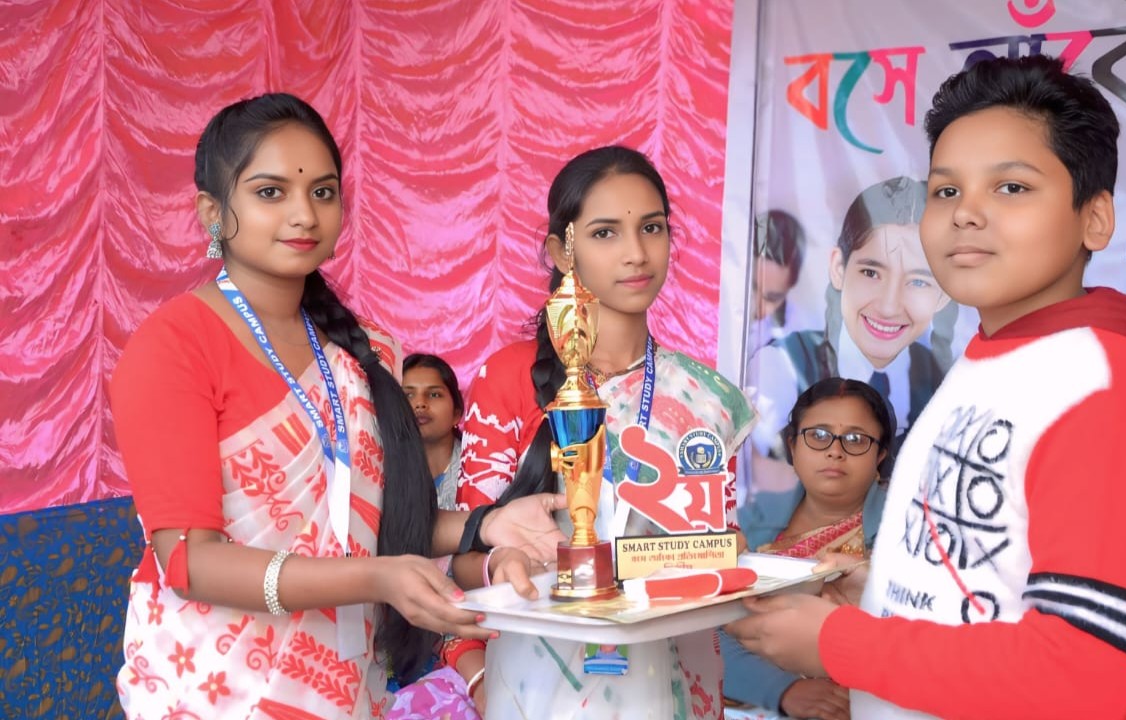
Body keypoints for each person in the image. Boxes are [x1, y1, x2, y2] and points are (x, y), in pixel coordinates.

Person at [727, 55, 1126, 720]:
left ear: (1094, 219)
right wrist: (881, 595)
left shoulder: (1109, 389)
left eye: (1011, 187)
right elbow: (986, 582)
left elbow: (1086, 677)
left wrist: (840, 643)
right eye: (946, 191)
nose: (966, 214)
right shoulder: (991, 358)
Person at [109, 92, 565, 719]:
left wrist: (487, 527)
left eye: (323, 192)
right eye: (271, 192)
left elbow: (374, 522)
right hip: (209, 688)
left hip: (347, 687)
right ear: (212, 212)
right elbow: (190, 561)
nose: (304, 214)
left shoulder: (364, 351)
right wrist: (376, 578)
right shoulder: (173, 346)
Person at [453, 145, 756, 719]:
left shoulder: (707, 396)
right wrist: (502, 567)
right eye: (605, 233)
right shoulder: (509, 378)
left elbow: (724, 545)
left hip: (676, 679)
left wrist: (730, 554)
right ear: (560, 252)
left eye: (652, 228)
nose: (636, 253)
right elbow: (464, 554)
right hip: (540, 684)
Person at [743, 177, 951, 547]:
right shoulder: (781, 366)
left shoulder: (949, 387)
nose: (889, 306)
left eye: (918, 282)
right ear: (838, 267)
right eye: (871, 272)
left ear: (944, 294)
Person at [722, 378, 894, 720]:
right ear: (793, 446)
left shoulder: (908, 530)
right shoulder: (746, 524)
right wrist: (782, 690)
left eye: (856, 440)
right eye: (818, 435)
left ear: (880, 455)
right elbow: (704, 627)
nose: (835, 451)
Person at [402, 353, 464, 510]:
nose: (420, 403)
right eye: (408, 395)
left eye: (434, 394)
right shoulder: (380, 473)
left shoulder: (481, 470)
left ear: (456, 413)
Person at [748, 209, 813, 353]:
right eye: (751, 288)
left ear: (790, 287)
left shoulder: (797, 333)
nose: (756, 305)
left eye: (771, 298)